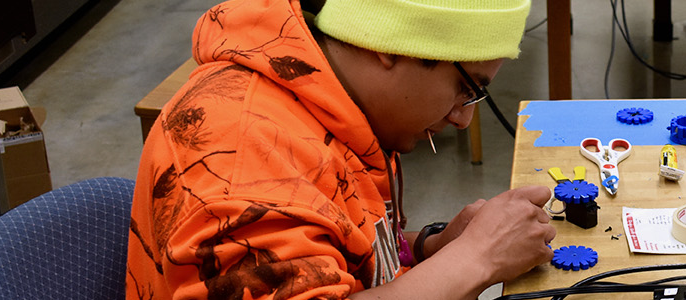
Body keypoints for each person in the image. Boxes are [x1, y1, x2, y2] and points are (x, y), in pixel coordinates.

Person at [125, 0, 554, 299]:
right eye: (465, 88)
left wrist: (431, 248)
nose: (463, 118)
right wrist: (476, 258)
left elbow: (336, 250)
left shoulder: (333, 104)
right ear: (391, 45)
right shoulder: (241, 162)